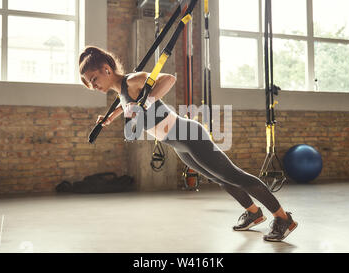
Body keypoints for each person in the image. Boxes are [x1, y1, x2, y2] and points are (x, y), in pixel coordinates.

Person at [79, 46, 298, 242]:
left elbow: (168, 79)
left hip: (188, 135)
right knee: (218, 177)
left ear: (107, 69)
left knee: (233, 175)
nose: (92, 85)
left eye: (94, 78)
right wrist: (110, 118)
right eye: (89, 82)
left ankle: (283, 218)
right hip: (178, 143)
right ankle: (253, 213)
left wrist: (148, 101)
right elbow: (127, 104)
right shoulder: (122, 92)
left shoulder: (132, 80)